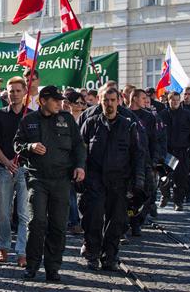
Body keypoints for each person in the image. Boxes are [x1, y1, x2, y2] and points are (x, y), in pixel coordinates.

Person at [14, 85, 86, 282]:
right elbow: (17, 145)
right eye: (55, 100)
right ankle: (32, 265)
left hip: (62, 180)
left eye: (60, 100)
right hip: (37, 178)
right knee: (36, 222)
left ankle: (53, 267)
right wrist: (30, 146)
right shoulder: (29, 120)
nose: (59, 103)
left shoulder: (67, 119)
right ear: (43, 101)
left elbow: (79, 145)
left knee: (58, 225)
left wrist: (80, 166)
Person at [79, 87, 145, 271]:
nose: (109, 104)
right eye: (105, 100)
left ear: (119, 101)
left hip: (119, 180)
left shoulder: (129, 125)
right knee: (93, 218)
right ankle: (92, 253)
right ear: (100, 101)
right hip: (95, 179)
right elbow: (80, 152)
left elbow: (138, 155)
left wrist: (138, 180)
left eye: (112, 100)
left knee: (117, 221)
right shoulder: (90, 124)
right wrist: (79, 175)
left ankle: (110, 255)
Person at [0, 77, 31, 267]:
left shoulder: (31, 115)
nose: (14, 94)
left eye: (18, 91)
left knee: (23, 214)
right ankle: (3, 247)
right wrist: (6, 162)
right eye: (11, 91)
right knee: (3, 213)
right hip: (3, 170)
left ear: (24, 92)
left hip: (26, 170)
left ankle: (22, 252)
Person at [128, 89, 159, 235]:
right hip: (128, 162)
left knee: (146, 193)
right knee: (128, 194)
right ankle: (126, 222)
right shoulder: (124, 114)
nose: (145, 101)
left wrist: (154, 162)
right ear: (134, 99)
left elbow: (154, 140)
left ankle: (137, 221)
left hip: (145, 161)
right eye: (142, 98)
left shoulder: (149, 118)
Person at [158, 91, 190, 211]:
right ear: (168, 100)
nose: (175, 102)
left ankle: (178, 202)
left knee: (181, 178)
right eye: (173, 100)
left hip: (182, 151)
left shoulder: (187, 114)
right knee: (164, 177)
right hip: (167, 151)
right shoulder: (162, 114)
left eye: (177, 100)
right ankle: (165, 194)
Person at [64, 91, 85, 235]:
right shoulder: (65, 119)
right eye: (77, 102)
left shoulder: (86, 118)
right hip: (68, 159)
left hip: (84, 159)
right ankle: (74, 221)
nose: (80, 105)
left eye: (82, 103)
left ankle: (85, 219)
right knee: (70, 192)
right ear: (70, 104)